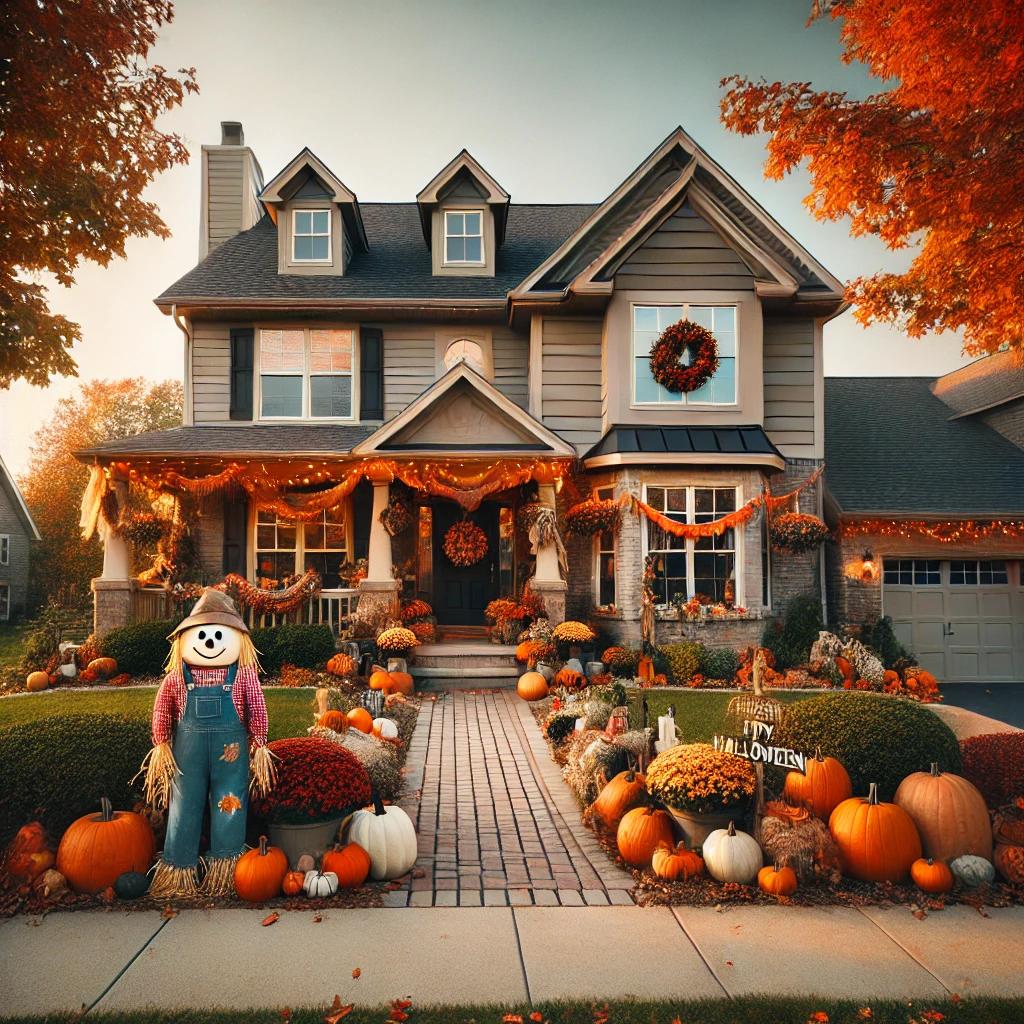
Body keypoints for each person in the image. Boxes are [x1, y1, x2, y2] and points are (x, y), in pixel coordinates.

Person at [140, 588, 274, 898]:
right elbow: (163, 709)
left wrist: (260, 742)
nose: (209, 642)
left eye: (217, 635)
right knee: (184, 805)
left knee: (230, 803)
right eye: (201, 635)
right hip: (188, 757)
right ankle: (178, 870)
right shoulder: (176, 678)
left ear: (237, 639)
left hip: (232, 755)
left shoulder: (243, 676)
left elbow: (258, 709)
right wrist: (160, 741)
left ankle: (225, 871)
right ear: (185, 639)